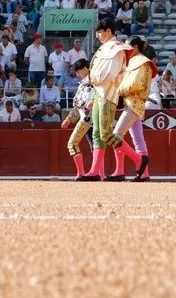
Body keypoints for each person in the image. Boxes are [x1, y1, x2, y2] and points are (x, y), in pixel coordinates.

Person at [78, 19, 128, 181]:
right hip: (100, 92)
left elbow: (110, 74)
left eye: (100, 32)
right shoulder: (106, 47)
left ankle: (138, 159)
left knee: (105, 134)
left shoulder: (116, 48)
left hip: (109, 93)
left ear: (108, 30)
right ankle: (94, 171)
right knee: (98, 133)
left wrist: (94, 79)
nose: (97, 35)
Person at [106, 37, 157, 182]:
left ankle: (133, 164)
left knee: (116, 135)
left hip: (134, 103)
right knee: (138, 139)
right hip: (131, 103)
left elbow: (136, 84)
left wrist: (119, 90)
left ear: (134, 47)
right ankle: (142, 173)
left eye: (127, 47)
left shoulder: (142, 63)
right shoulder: (133, 62)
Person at [62, 59, 95, 180]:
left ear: (85, 69)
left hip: (88, 118)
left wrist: (70, 119)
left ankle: (82, 173)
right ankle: (96, 172)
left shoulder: (93, 82)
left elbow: (82, 104)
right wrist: (69, 119)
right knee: (95, 146)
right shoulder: (85, 83)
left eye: (78, 71)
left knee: (72, 143)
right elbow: (78, 105)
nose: (77, 74)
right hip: (88, 117)